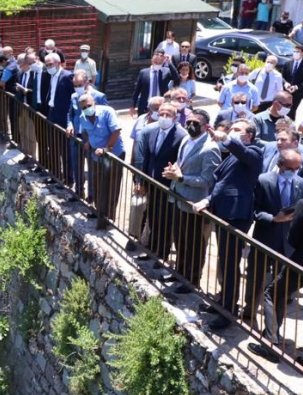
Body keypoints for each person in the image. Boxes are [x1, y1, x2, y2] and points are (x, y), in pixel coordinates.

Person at [192, 119, 263, 331]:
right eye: (231, 129)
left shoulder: (254, 152)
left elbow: (245, 155)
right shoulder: (233, 155)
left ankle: (229, 311)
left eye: (237, 130)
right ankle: (224, 299)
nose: (232, 132)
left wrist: (227, 138)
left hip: (236, 216)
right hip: (222, 212)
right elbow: (221, 182)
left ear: (248, 135)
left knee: (230, 264)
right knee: (224, 260)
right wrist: (208, 200)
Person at [243, 148, 303, 325]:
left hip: (289, 245)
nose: (294, 172)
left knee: (281, 290)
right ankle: (248, 313)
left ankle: (273, 327)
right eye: (291, 168)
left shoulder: (301, 184)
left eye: (297, 168)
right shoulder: (263, 180)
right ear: (280, 165)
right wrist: (273, 219)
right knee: (255, 279)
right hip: (265, 238)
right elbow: (254, 210)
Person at [163, 109, 221, 292]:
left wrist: (181, 178)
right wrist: (174, 172)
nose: (190, 126)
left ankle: (192, 280)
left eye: (195, 123)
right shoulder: (186, 140)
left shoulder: (210, 148)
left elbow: (207, 180)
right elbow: (182, 164)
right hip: (178, 197)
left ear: (205, 126)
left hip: (193, 203)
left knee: (194, 244)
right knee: (180, 239)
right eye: (188, 122)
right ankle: (180, 272)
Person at [133, 103, 186, 263]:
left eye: (168, 114)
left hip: (168, 185)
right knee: (154, 217)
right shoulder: (151, 131)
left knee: (165, 221)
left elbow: (180, 161)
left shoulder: (181, 135)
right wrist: (140, 180)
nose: (163, 117)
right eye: (161, 113)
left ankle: (162, 254)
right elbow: (144, 157)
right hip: (151, 182)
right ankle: (152, 249)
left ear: (175, 117)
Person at [79, 94, 124, 222]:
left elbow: (116, 131)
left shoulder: (107, 112)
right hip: (96, 155)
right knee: (97, 183)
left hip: (113, 154)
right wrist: (88, 141)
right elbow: (87, 131)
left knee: (111, 185)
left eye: (88, 105)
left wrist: (107, 148)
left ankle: (109, 216)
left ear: (94, 103)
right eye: (84, 107)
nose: (87, 108)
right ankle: (99, 211)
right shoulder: (82, 117)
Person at [66, 70, 107, 193]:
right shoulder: (74, 96)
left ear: (87, 82)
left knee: (92, 168)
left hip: (92, 139)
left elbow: (104, 119)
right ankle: (79, 191)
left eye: (79, 85)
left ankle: (91, 196)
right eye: (75, 85)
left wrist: (92, 140)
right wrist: (70, 124)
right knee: (76, 166)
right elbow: (70, 113)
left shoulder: (99, 96)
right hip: (76, 137)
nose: (77, 88)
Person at [131, 49, 178, 115]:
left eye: (160, 57)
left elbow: (176, 77)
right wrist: (132, 106)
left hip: (160, 106)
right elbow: (137, 90)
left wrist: (169, 62)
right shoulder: (143, 72)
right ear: (152, 59)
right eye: (156, 56)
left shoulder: (166, 71)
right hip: (145, 106)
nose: (157, 59)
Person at [14, 54, 38, 158]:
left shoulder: (35, 74)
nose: (19, 66)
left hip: (30, 107)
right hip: (21, 106)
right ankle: (25, 154)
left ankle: (32, 156)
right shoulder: (20, 74)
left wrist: (28, 91)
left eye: (20, 63)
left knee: (30, 134)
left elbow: (37, 90)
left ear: (26, 63)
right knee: (23, 131)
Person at [282, 45, 303, 116]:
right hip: (287, 94)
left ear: (302, 53)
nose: (295, 53)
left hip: (299, 95)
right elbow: (282, 77)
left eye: (297, 52)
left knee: (295, 114)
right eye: (294, 51)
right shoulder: (287, 63)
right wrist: (285, 83)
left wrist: (296, 87)